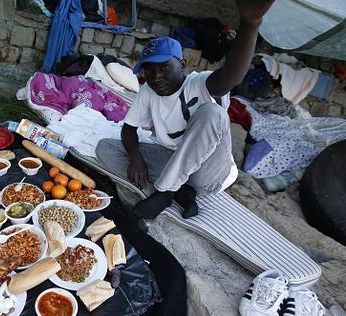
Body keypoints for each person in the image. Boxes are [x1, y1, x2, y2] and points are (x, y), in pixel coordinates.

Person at [95, 0, 275, 228]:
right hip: (174, 163)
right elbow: (129, 129)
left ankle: (164, 192)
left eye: (164, 67)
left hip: (208, 173)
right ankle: (182, 193)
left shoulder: (201, 83)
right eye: (149, 70)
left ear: (183, 64)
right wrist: (135, 157)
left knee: (213, 112)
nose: (156, 76)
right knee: (105, 148)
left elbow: (231, 77)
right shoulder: (149, 91)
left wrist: (251, 23)